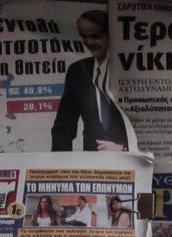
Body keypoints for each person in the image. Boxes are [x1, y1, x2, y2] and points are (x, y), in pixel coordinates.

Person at [50, 9, 131, 151]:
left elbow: (151, 130)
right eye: (83, 36)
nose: (88, 42)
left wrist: (124, 148)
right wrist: (60, 166)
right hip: (92, 165)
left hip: (130, 163)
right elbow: (63, 127)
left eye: (95, 36)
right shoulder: (77, 71)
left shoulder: (130, 69)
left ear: (111, 35)